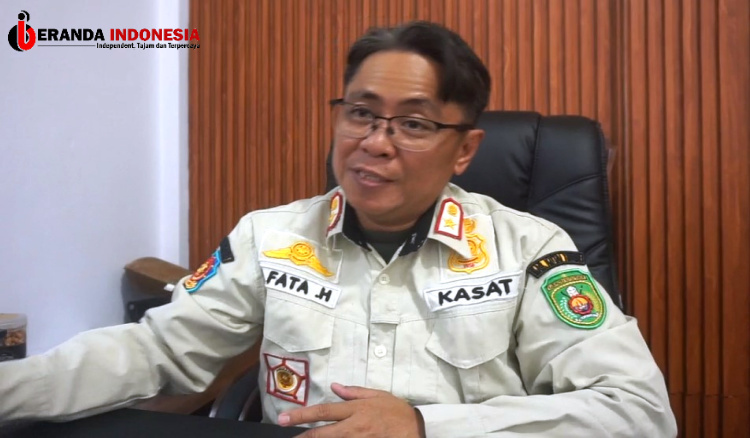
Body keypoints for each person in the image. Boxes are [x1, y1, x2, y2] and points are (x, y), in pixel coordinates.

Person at [0, 21, 676, 437]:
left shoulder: (529, 250)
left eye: (413, 123)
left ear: (465, 150)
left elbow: (637, 412)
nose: (374, 142)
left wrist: (426, 426)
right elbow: (155, 352)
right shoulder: (271, 238)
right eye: (360, 113)